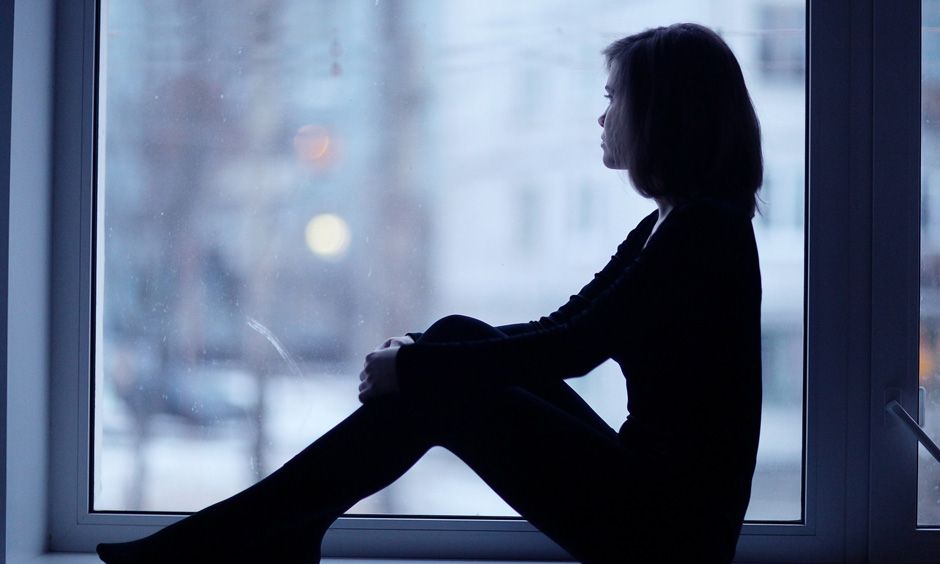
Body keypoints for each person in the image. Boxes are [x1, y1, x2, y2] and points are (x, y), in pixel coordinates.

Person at [97, 22, 762, 564]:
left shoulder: (702, 233)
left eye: (615, 98)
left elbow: (576, 347)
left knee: (445, 378)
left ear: (661, 115)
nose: (602, 114)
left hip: (667, 539)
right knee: (455, 336)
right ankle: (267, 532)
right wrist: (425, 353)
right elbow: (562, 325)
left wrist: (418, 369)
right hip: (649, 503)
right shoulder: (673, 223)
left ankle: (243, 536)